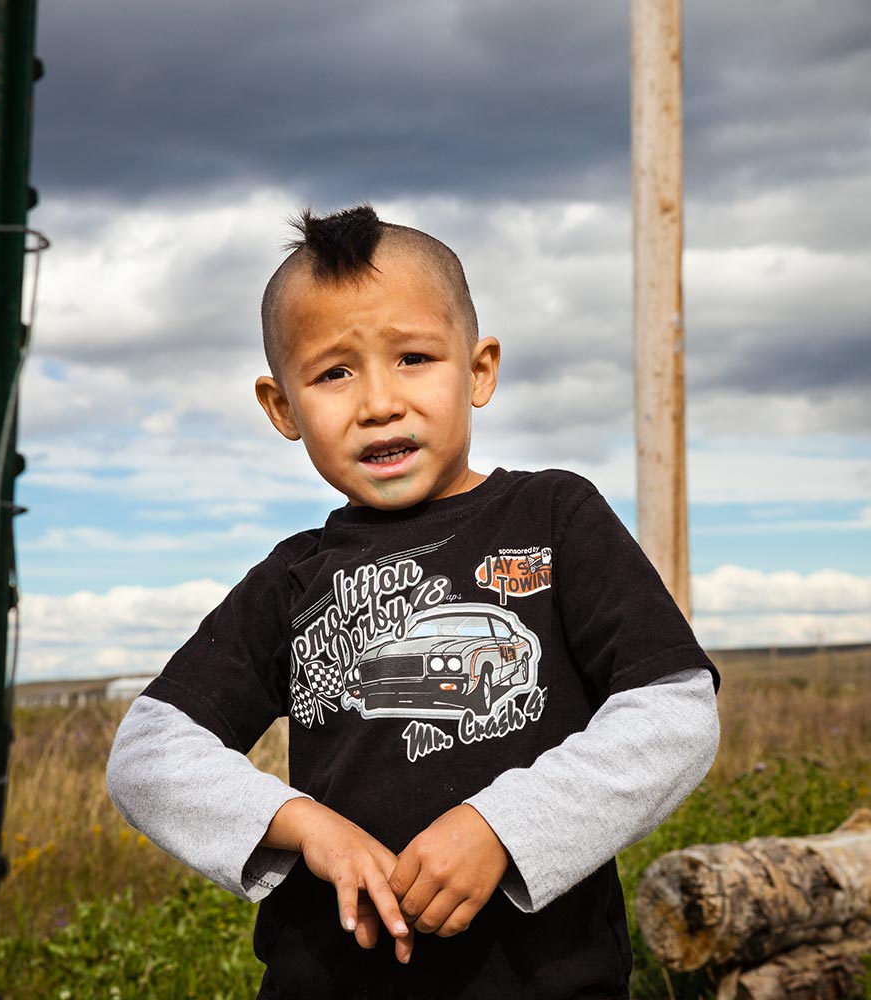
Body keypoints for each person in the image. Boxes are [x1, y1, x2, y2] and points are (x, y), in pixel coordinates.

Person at [107, 204, 720, 999]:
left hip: (546, 979)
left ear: (478, 369)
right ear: (282, 408)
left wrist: (503, 825)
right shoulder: (296, 578)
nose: (378, 403)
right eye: (333, 372)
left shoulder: (553, 519)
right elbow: (150, 751)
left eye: (415, 358)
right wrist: (305, 827)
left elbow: (673, 711)